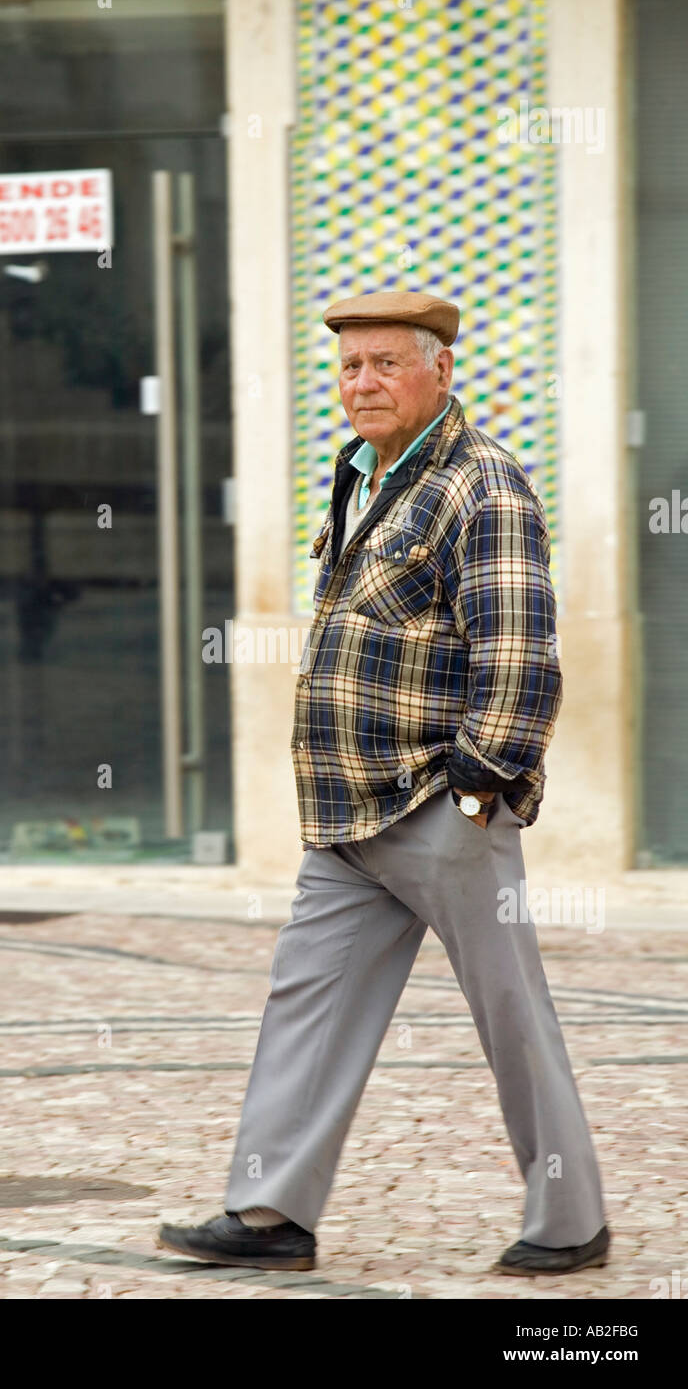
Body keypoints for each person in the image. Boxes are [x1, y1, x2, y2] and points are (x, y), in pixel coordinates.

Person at [156, 290, 609, 1277]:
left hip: (439, 806)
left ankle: (572, 1221)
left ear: (440, 370)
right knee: (305, 1005)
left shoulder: (483, 483)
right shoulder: (362, 474)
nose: (362, 382)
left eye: (385, 364)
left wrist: (477, 786)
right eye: (350, 366)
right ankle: (271, 1215)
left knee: (511, 1013)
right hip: (345, 808)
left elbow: (522, 654)